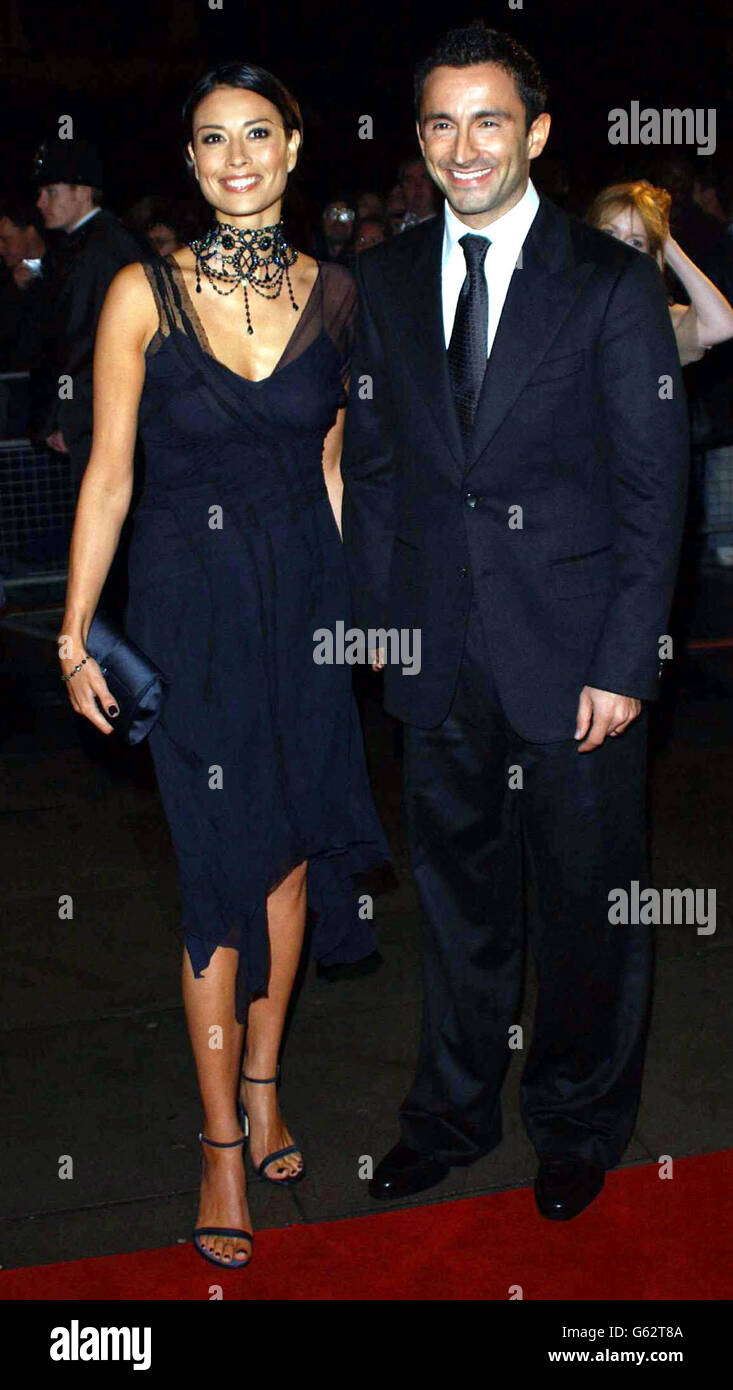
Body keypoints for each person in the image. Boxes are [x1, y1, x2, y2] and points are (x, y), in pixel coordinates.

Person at [341, 21, 689, 1220]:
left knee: (589, 910)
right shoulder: (384, 279)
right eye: (440, 121)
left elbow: (656, 486)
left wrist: (626, 661)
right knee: (455, 909)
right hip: (439, 661)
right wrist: (382, 623)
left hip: (577, 660)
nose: (463, 145)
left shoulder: (605, 281)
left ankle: (577, 1125)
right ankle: (446, 1117)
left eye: (488, 119)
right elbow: (379, 469)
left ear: (535, 133)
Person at [57, 61, 389, 1269]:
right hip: (190, 620)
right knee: (216, 877)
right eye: (212, 140)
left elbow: (338, 471)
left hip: (303, 611)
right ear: (190, 165)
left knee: (293, 859)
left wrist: (356, 623)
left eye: (260, 134)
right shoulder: (143, 293)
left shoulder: (339, 297)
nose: (238, 156)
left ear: (295, 150)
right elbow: (107, 473)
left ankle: (261, 1084)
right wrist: (75, 630)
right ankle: (217, 1145)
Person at [32, 135, 147, 496]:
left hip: (101, 417)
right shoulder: (94, 243)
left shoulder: (98, 250)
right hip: (107, 414)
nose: (40, 203)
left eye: (51, 191)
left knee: (106, 517)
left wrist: (63, 416)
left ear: (83, 192)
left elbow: (83, 340)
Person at [585, 181, 733, 367]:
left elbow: (722, 325)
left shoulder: (656, 321)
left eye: (636, 242)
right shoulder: (557, 297)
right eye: (609, 232)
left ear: (650, 258)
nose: (619, 249)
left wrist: (665, 242)